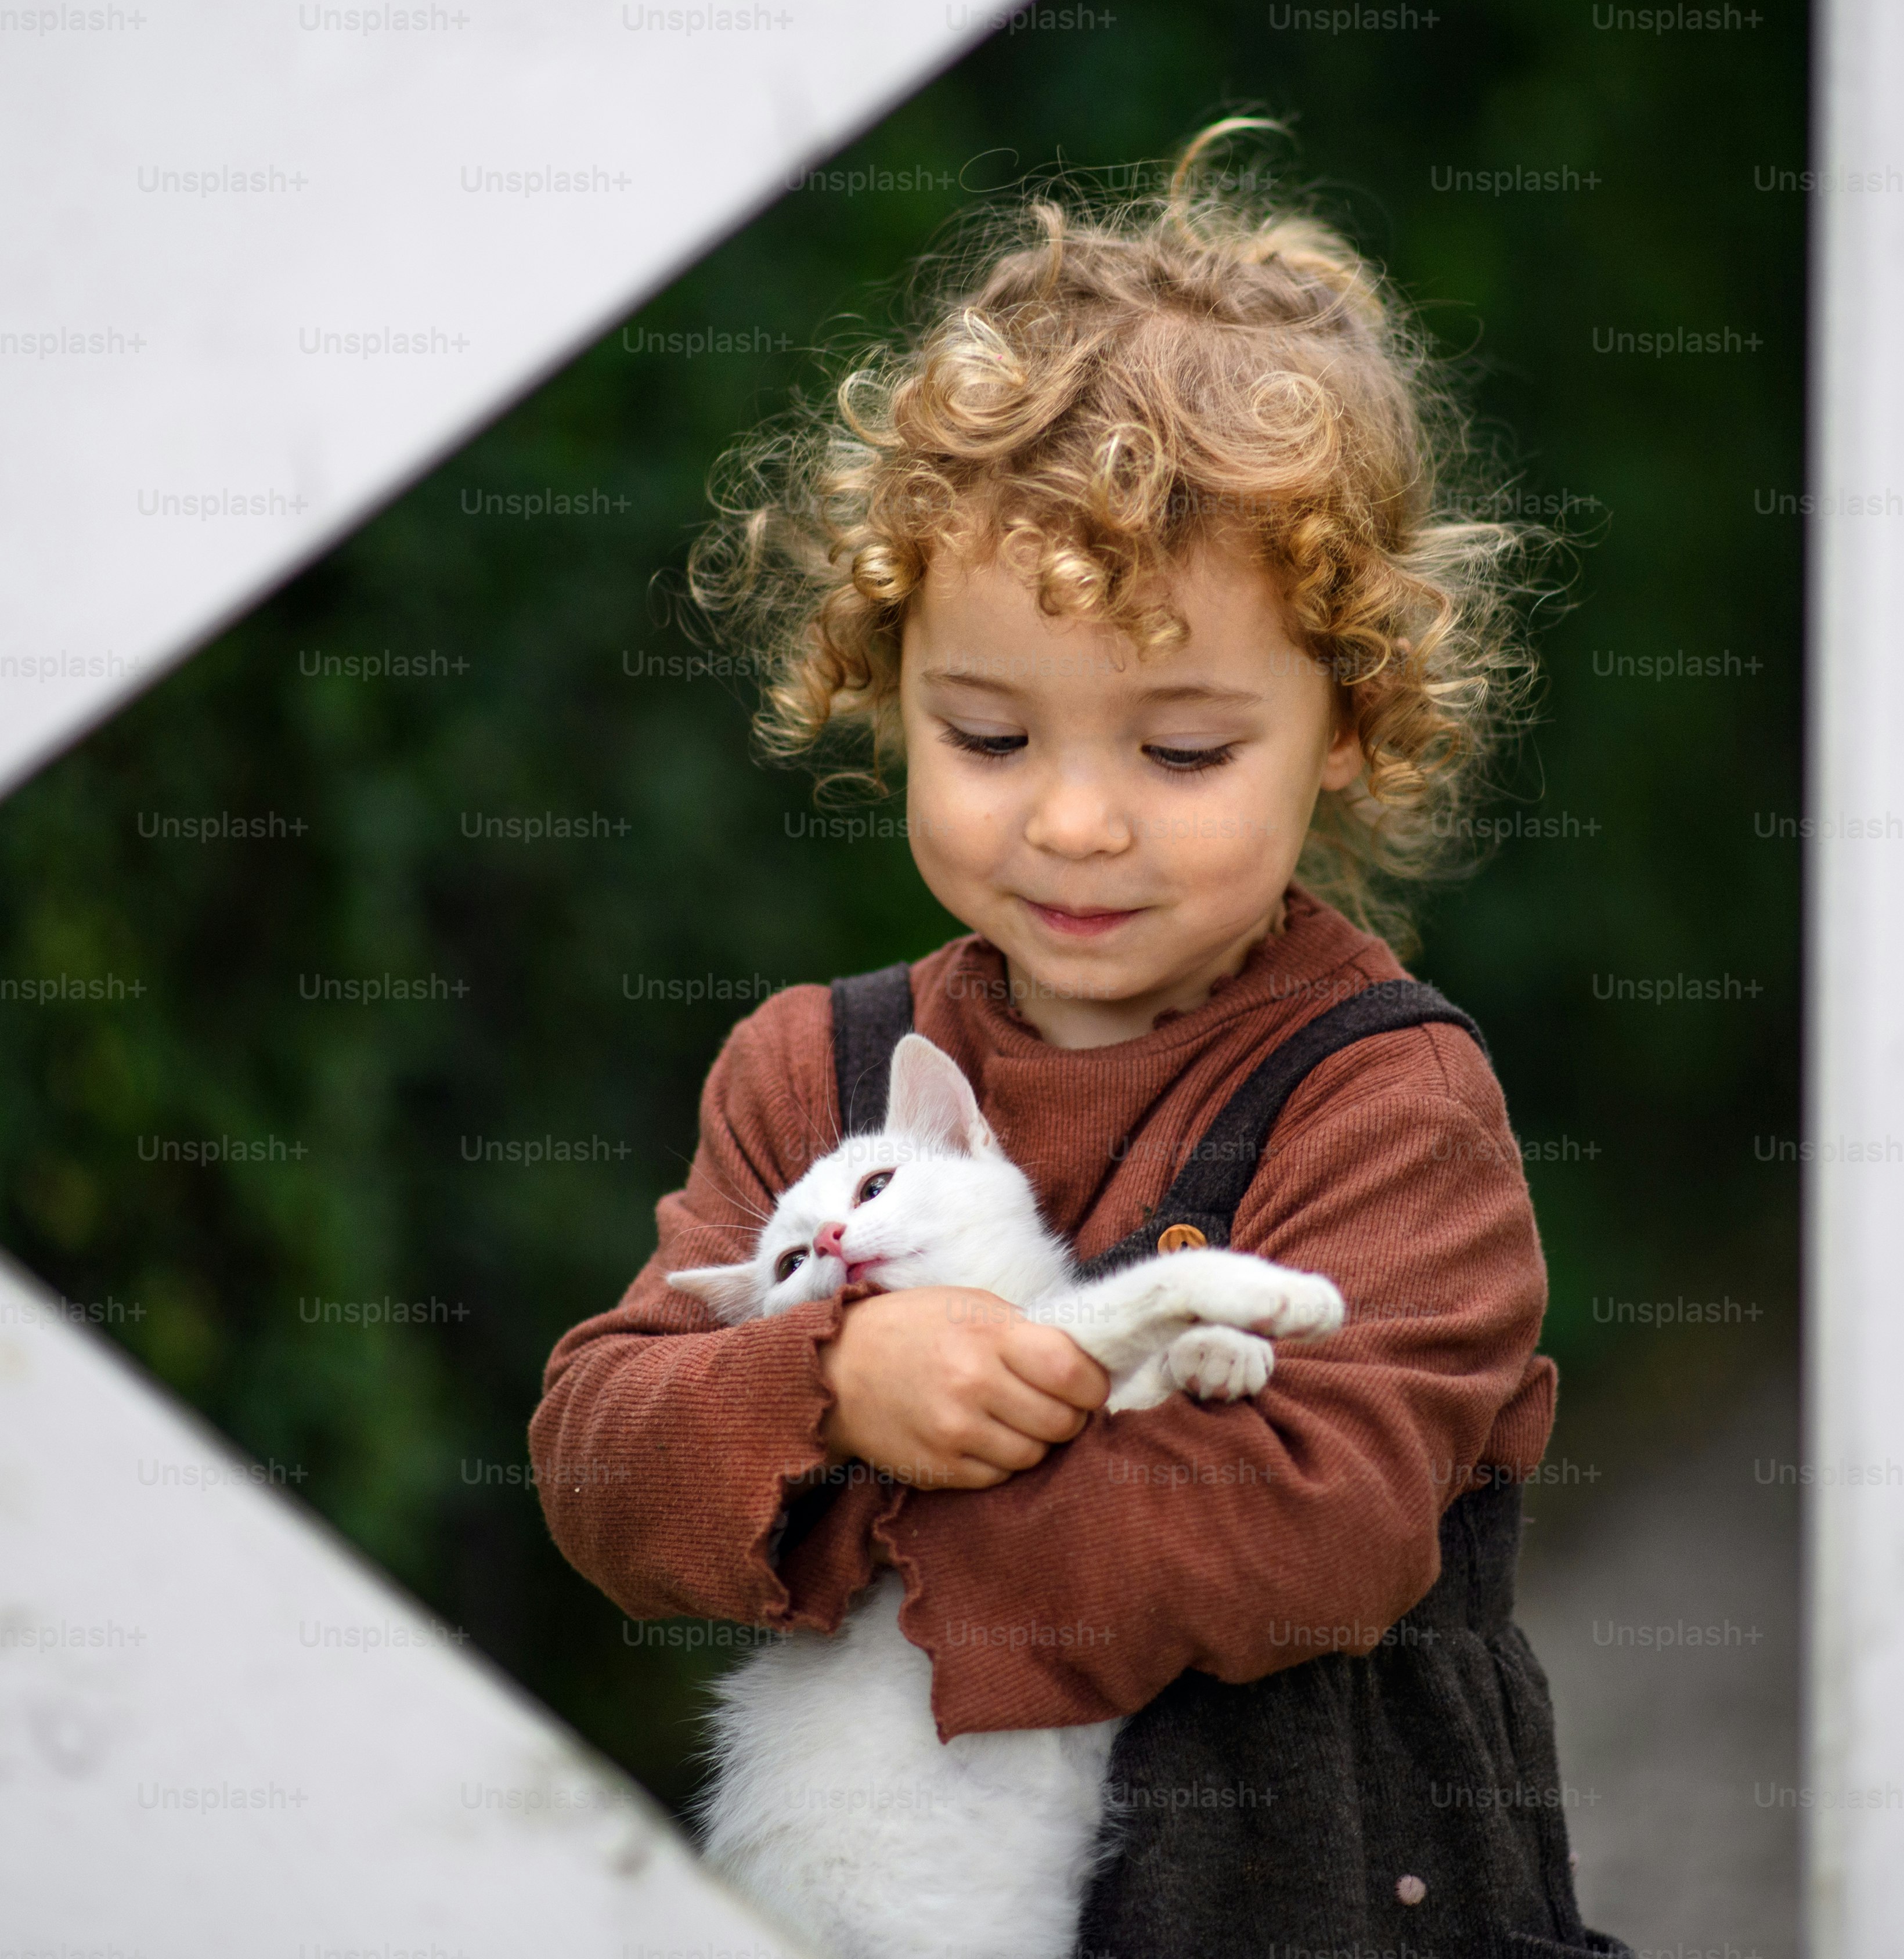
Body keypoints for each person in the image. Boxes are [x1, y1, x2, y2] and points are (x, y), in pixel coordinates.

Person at [531, 120, 1624, 1958]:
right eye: (988, 735)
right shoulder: (814, 1073)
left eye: (1182, 751)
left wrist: (891, 1501)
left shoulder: (1388, 1100)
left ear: (1347, 722)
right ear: (887, 696)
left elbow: (1321, 1524)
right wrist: (827, 1391)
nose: (1077, 824)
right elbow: (604, 1453)